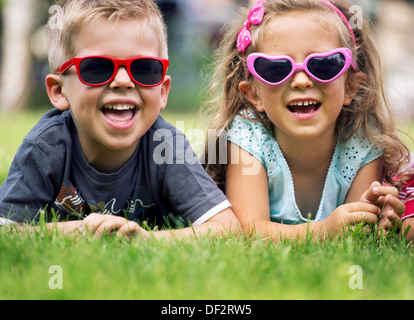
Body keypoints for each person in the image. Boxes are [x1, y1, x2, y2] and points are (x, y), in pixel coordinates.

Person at [0, 0, 241, 239]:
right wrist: (76, 231)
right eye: (97, 68)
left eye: (145, 68)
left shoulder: (167, 147)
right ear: (59, 91)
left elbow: (227, 229)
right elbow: (7, 230)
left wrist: (148, 239)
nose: (123, 81)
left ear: (163, 91)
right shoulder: (44, 148)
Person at [203, 0, 411, 241]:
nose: (301, 81)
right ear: (253, 94)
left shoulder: (364, 140)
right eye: (275, 68)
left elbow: (356, 233)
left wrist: (371, 215)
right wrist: (324, 231)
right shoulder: (247, 136)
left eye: (323, 65)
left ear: (352, 87)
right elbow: (248, 230)